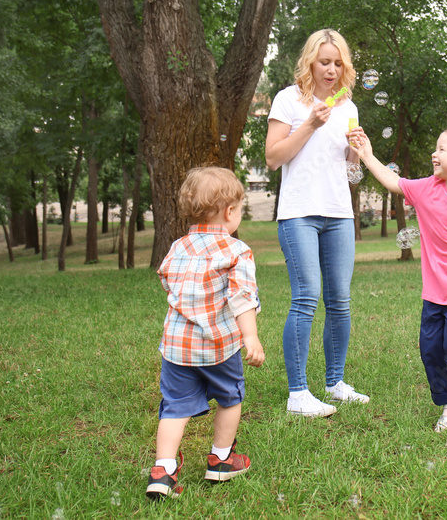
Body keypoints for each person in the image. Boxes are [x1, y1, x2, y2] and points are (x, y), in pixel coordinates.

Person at [353, 124, 447, 433]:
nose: (434, 154)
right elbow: (393, 181)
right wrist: (367, 156)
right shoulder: (426, 189)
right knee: (430, 348)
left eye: (441, 149)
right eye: (435, 148)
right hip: (435, 291)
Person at [265, 29, 369, 417]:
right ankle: (298, 394)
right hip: (298, 213)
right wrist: (308, 123)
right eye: (324, 61)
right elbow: (274, 158)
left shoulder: (347, 107)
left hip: (339, 213)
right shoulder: (288, 100)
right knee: (307, 297)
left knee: (339, 301)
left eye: (338, 62)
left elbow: (350, 173)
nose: (331, 69)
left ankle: (335, 382)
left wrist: (356, 152)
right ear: (310, 61)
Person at [146, 167, 265, 501]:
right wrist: (250, 337)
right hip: (219, 346)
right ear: (230, 212)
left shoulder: (177, 247)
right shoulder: (236, 251)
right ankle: (222, 459)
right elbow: (242, 298)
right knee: (230, 397)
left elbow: (166, 281)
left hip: (177, 347)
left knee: (174, 407)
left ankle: (163, 470)